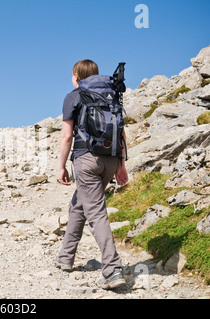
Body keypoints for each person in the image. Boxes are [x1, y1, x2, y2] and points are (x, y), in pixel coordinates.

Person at [56, 59, 129, 290]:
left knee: (96, 212)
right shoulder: (111, 95)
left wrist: (61, 166)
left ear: (77, 76)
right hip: (110, 160)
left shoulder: (73, 96)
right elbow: (121, 131)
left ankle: (112, 269)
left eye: (72, 75)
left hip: (86, 159)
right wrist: (121, 165)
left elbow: (67, 136)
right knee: (80, 204)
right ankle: (65, 258)